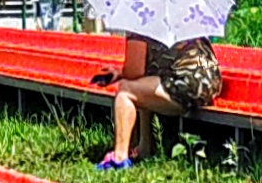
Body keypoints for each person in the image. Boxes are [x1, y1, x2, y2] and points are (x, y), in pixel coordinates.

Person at [94, 30, 224, 171]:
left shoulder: (141, 24)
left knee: (125, 91)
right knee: (142, 87)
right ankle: (145, 148)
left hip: (186, 83)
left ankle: (119, 158)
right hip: (210, 82)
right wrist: (120, 72)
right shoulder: (179, 18)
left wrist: (121, 74)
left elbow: (134, 71)